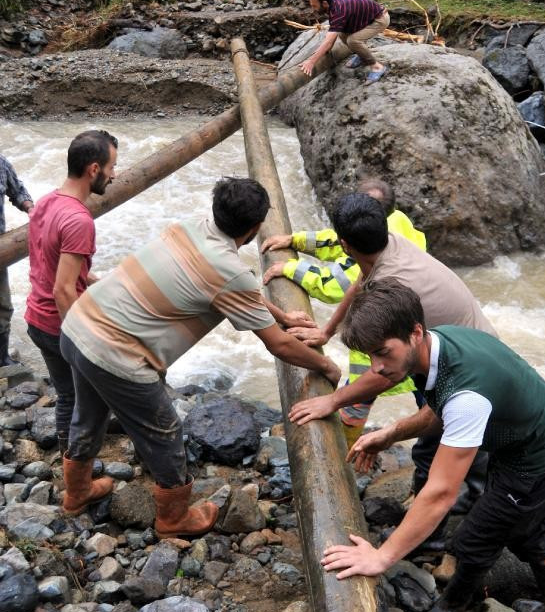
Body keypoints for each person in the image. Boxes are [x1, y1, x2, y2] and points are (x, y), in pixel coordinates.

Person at [58, 177, 341, 538]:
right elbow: (279, 345)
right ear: (256, 227)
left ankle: (77, 492)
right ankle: (173, 518)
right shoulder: (230, 273)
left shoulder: (186, 230)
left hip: (78, 326)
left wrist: (283, 317)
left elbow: (239, 293)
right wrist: (327, 365)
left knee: (88, 413)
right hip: (117, 357)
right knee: (165, 433)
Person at [321, 280, 545, 612]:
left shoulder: (467, 397)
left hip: (541, 456)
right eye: (369, 356)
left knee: (475, 539)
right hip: (538, 434)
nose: (377, 367)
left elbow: (441, 492)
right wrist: (392, 434)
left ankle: (453, 606)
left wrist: (381, 557)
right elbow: (437, 408)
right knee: (529, 530)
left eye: (383, 353)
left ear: (415, 332)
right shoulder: (438, 343)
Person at [287, 192, 495, 546]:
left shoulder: (395, 282)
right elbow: (361, 283)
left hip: (468, 366)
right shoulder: (390, 246)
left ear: (344, 244)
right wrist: (326, 331)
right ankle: (462, 502)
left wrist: (333, 401)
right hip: (456, 347)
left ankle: (434, 536)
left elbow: (386, 371)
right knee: (447, 440)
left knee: (436, 447)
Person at [261, 177, 426, 447]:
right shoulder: (394, 222)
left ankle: (346, 449)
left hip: (392, 342)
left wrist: (290, 268)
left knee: (358, 400)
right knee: (426, 398)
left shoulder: (378, 264)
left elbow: (333, 285)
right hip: (411, 336)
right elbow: (336, 242)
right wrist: (296, 240)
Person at [25, 130, 118, 452]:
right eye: (111, 167)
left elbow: (50, 262)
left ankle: (69, 462)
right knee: (90, 403)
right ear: (94, 169)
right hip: (59, 324)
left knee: (68, 395)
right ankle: (80, 468)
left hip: (36, 319)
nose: (114, 175)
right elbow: (63, 290)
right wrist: (79, 340)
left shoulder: (46, 202)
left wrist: (95, 281)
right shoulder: (80, 220)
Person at [301, 0, 390, 84]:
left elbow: (329, 42)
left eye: (315, 6)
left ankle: (377, 67)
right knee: (342, 34)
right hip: (367, 18)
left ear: (325, 3)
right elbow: (331, 40)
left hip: (379, 20)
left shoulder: (339, 11)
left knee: (353, 41)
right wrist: (324, 50)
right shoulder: (333, 3)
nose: (313, 10)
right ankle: (361, 55)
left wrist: (311, 62)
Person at [0, 156, 35, 366]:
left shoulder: (1, 164)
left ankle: (2, 359)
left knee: (3, 307)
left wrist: (31, 208)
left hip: (0, 250)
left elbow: (18, 191)